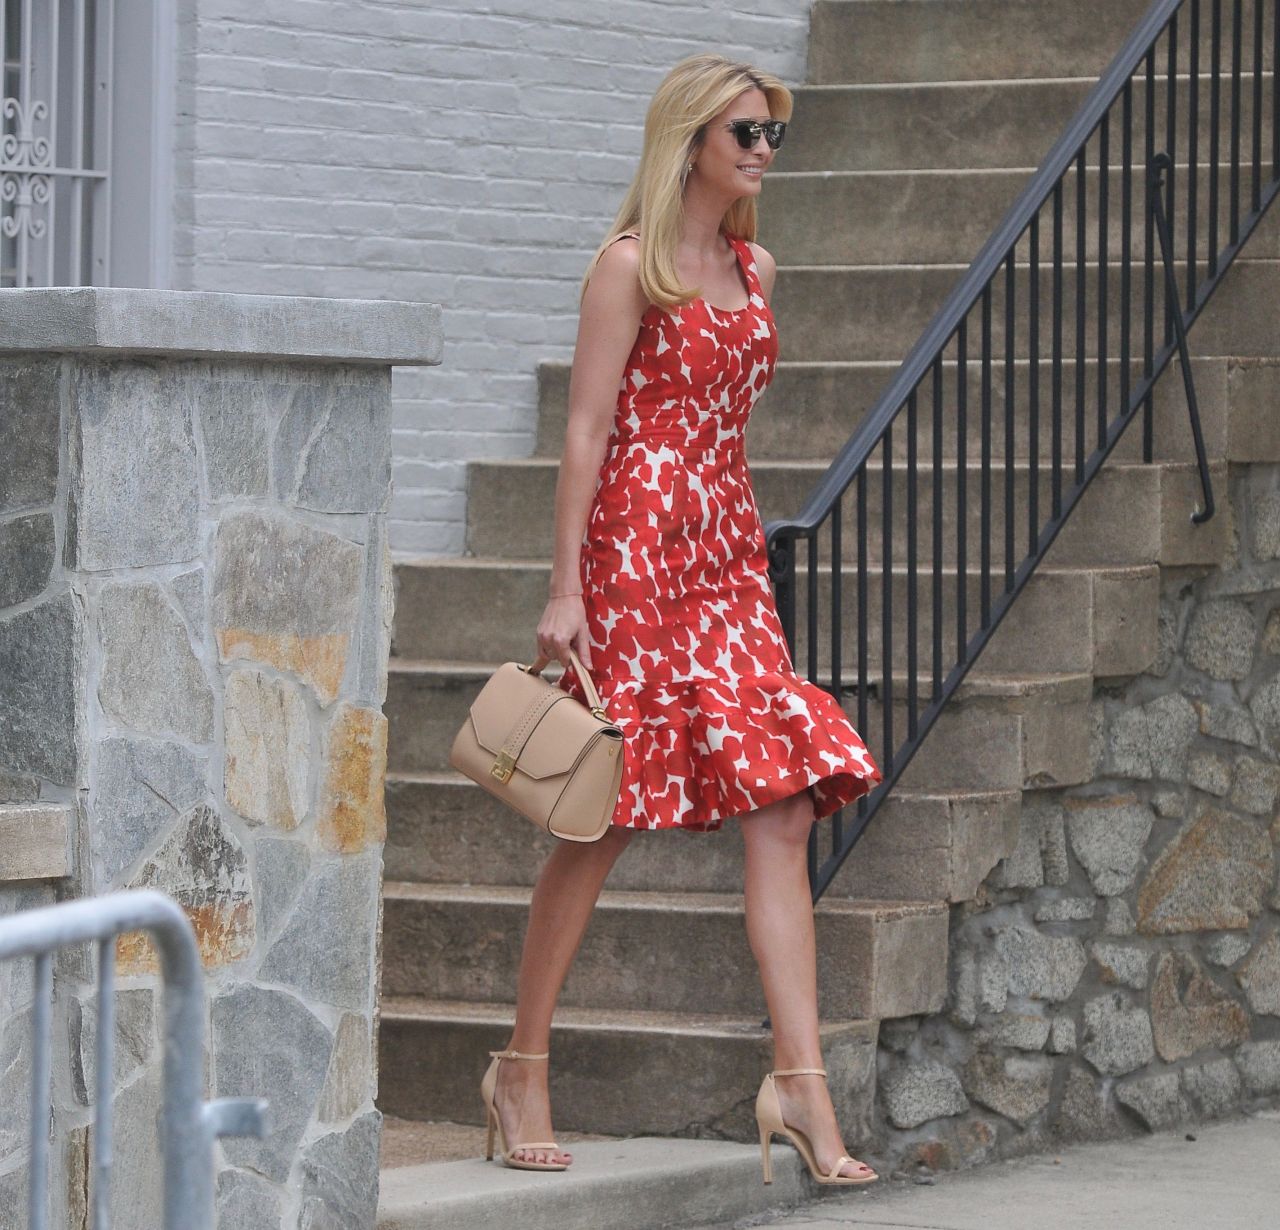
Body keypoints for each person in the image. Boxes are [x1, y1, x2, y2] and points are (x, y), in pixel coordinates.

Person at [478, 52, 882, 1186]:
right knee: (598, 809)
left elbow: (725, 423)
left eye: (770, 135)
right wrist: (565, 587)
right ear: (690, 142)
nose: (761, 151)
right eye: (744, 132)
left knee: (784, 802)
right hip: (633, 549)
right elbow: (585, 431)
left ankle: (799, 1085)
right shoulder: (628, 267)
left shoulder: (757, 267)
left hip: (723, 550)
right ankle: (520, 1066)